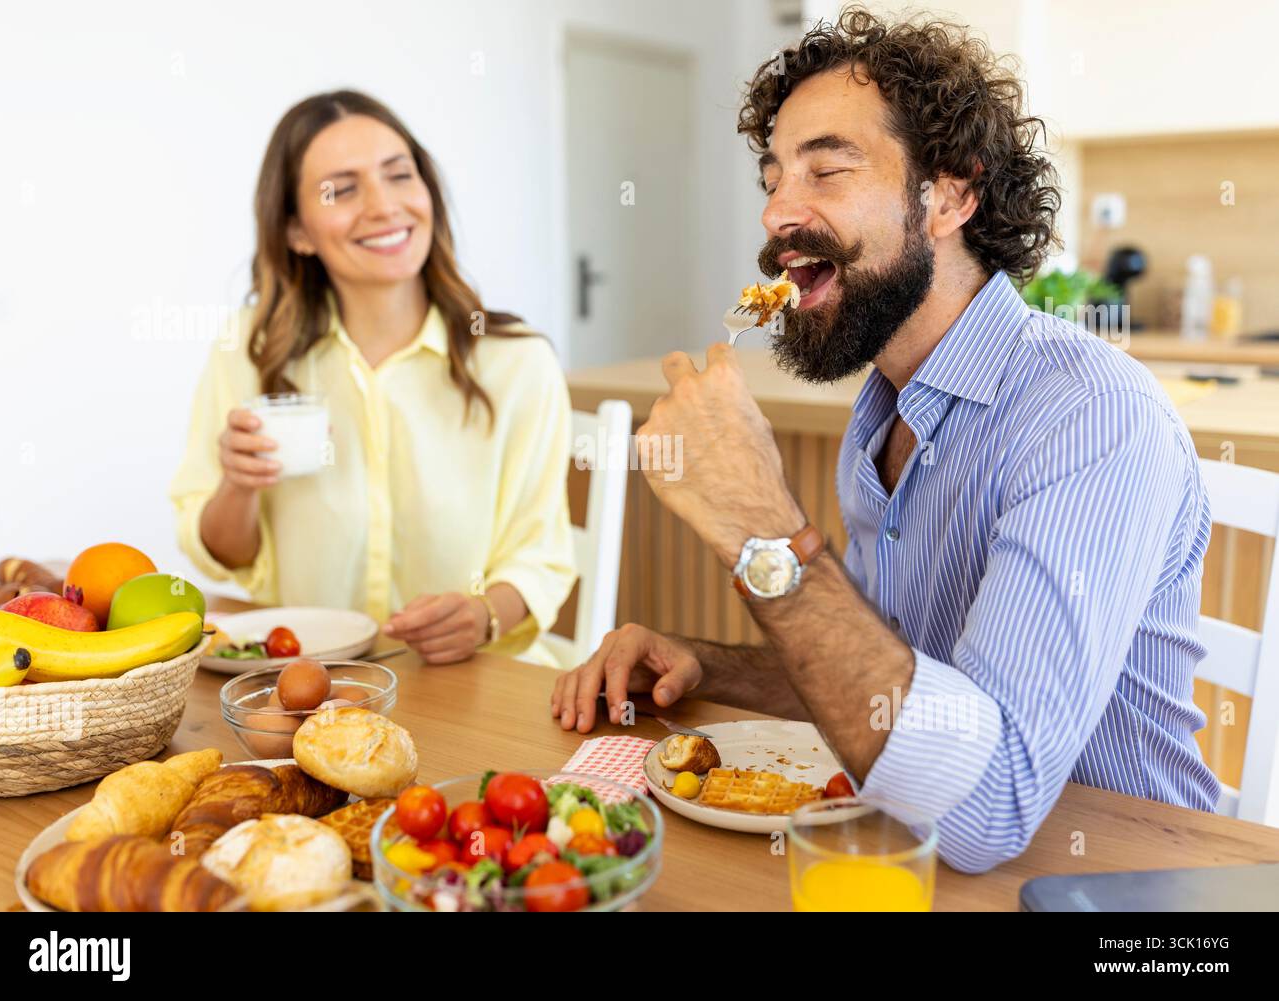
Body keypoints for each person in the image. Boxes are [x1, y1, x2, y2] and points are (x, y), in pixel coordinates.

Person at [551, 8, 1219, 872]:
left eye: (826, 169)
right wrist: (708, 666)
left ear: (951, 194)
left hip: (1120, 881)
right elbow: (892, 685)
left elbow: (990, 802)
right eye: (773, 176)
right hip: (920, 857)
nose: (778, 213)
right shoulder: (881, 409)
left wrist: (761, 522)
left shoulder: (1087, 416)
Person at [171, 90, 575, 666]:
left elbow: (540, 557)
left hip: (472, 684)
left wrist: (481, 617)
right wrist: (238, 485)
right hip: (306, 683)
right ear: (296, 231)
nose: (385, 207)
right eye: (343, 188)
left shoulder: (515, 362)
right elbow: (224, 555)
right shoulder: (251, 350)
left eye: (399, 175)